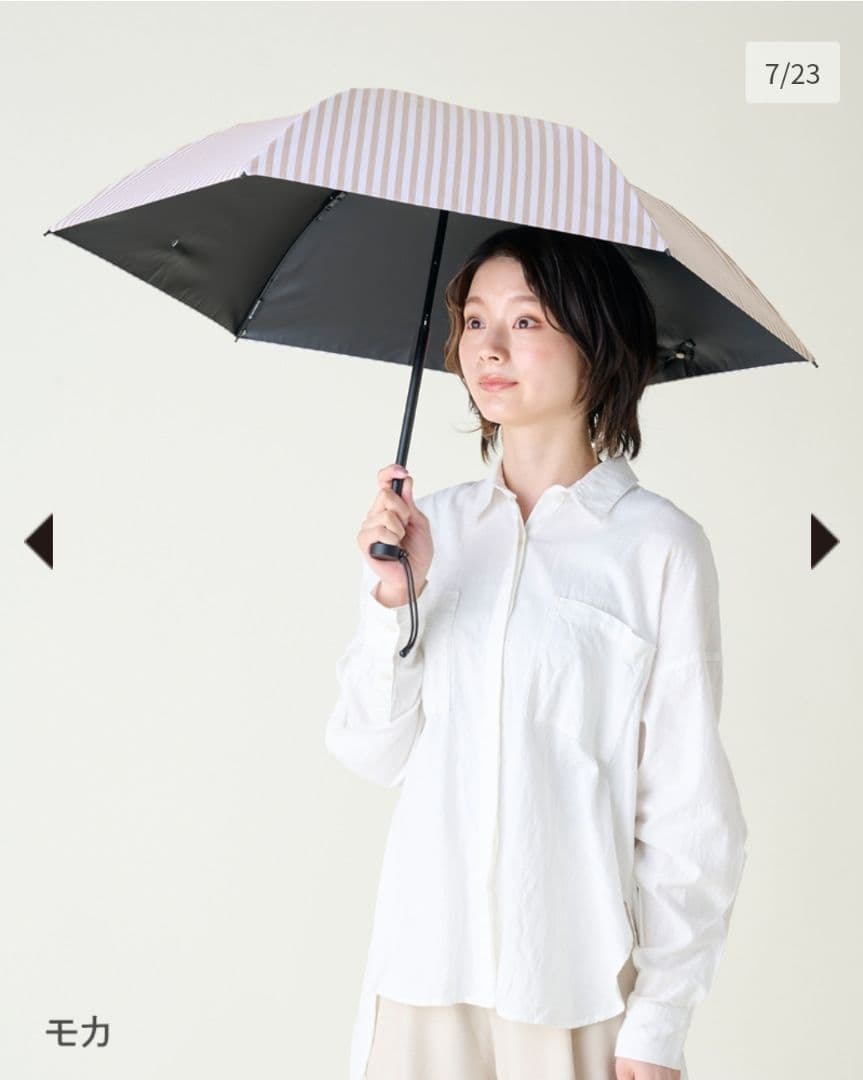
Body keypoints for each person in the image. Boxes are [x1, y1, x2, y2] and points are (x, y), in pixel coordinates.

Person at [325, 225, 748, 1080]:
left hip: (572, 982)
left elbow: (687, 803)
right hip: (422, 970)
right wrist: (392, 604)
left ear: (597, 340)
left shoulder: (656, 547)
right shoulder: (428, 531)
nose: (488, 347)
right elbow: (371, 751)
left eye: (525, 321)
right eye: (474, 320)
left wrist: (659, 1020)